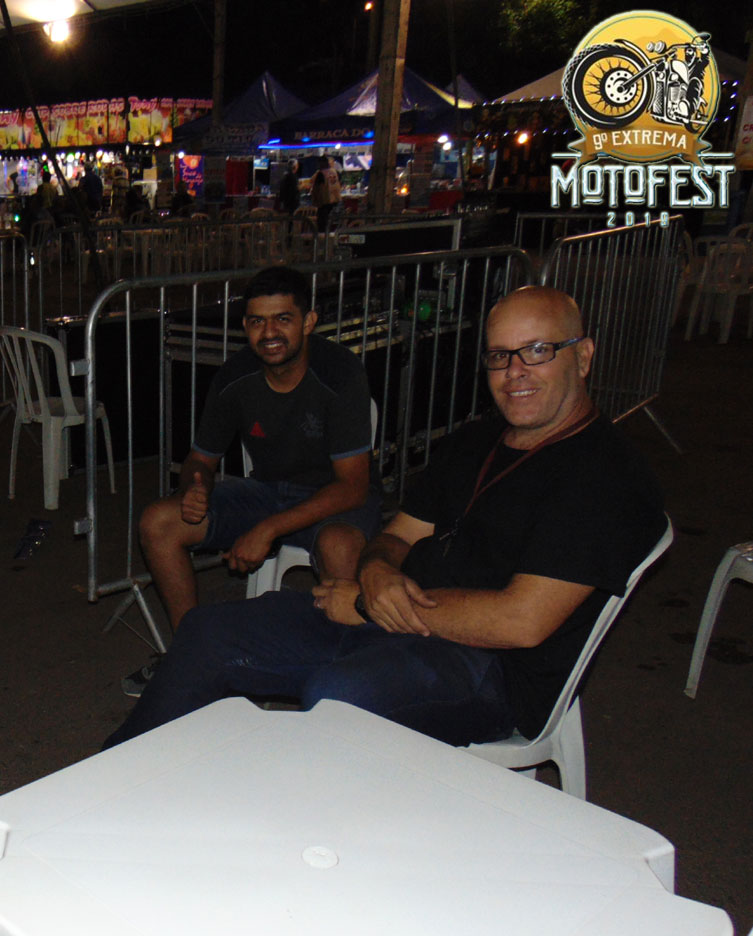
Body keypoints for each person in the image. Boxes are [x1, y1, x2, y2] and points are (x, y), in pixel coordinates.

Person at [107, 287, 665, 749]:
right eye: (499, 355)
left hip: (490, 669)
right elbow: (398, 535)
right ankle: (109, 782)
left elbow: (521, 621)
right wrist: (375, 572)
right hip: (393, 619)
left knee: (340, 697)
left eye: (537, 350)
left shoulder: (605, 475)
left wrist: (368, 605)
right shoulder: (478, 439)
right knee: (207, 633)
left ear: (583, 356)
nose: (514, 371)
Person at [122, 266, 381, 694]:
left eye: (283, 319)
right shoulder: (234, 376)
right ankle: (194, 657)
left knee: (340, 545)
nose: (269, 332)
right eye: (258, 321)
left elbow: (352, 487)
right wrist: (196, 487)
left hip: (334, 498)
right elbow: (199, 459)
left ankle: (349, 671)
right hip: (267, 491)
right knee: (159, 521)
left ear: (308, 322)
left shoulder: (341, 372)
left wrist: (268, 529)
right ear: (245, 326)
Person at [311, 155, 341, 230]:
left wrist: (314, 201)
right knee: (332, 225)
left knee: (322, 226)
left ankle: (324, 236)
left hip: (325, 203)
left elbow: (316, 189)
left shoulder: (321, 174)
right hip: (335, 202)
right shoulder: (335, 172)